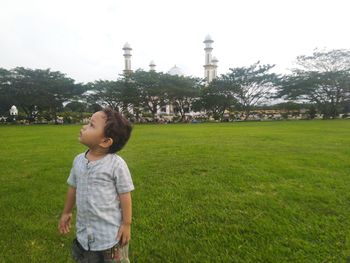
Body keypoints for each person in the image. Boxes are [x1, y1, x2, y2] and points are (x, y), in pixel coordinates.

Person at [58, 108, 134, 263]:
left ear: (105, 141)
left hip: (110, 236)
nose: (84, 127)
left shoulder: (116, 165)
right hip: (85, 234)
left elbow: (125, 195)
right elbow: (73, 187)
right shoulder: (78, 160)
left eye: (91, 125)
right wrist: (66, 212)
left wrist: (126, 224)